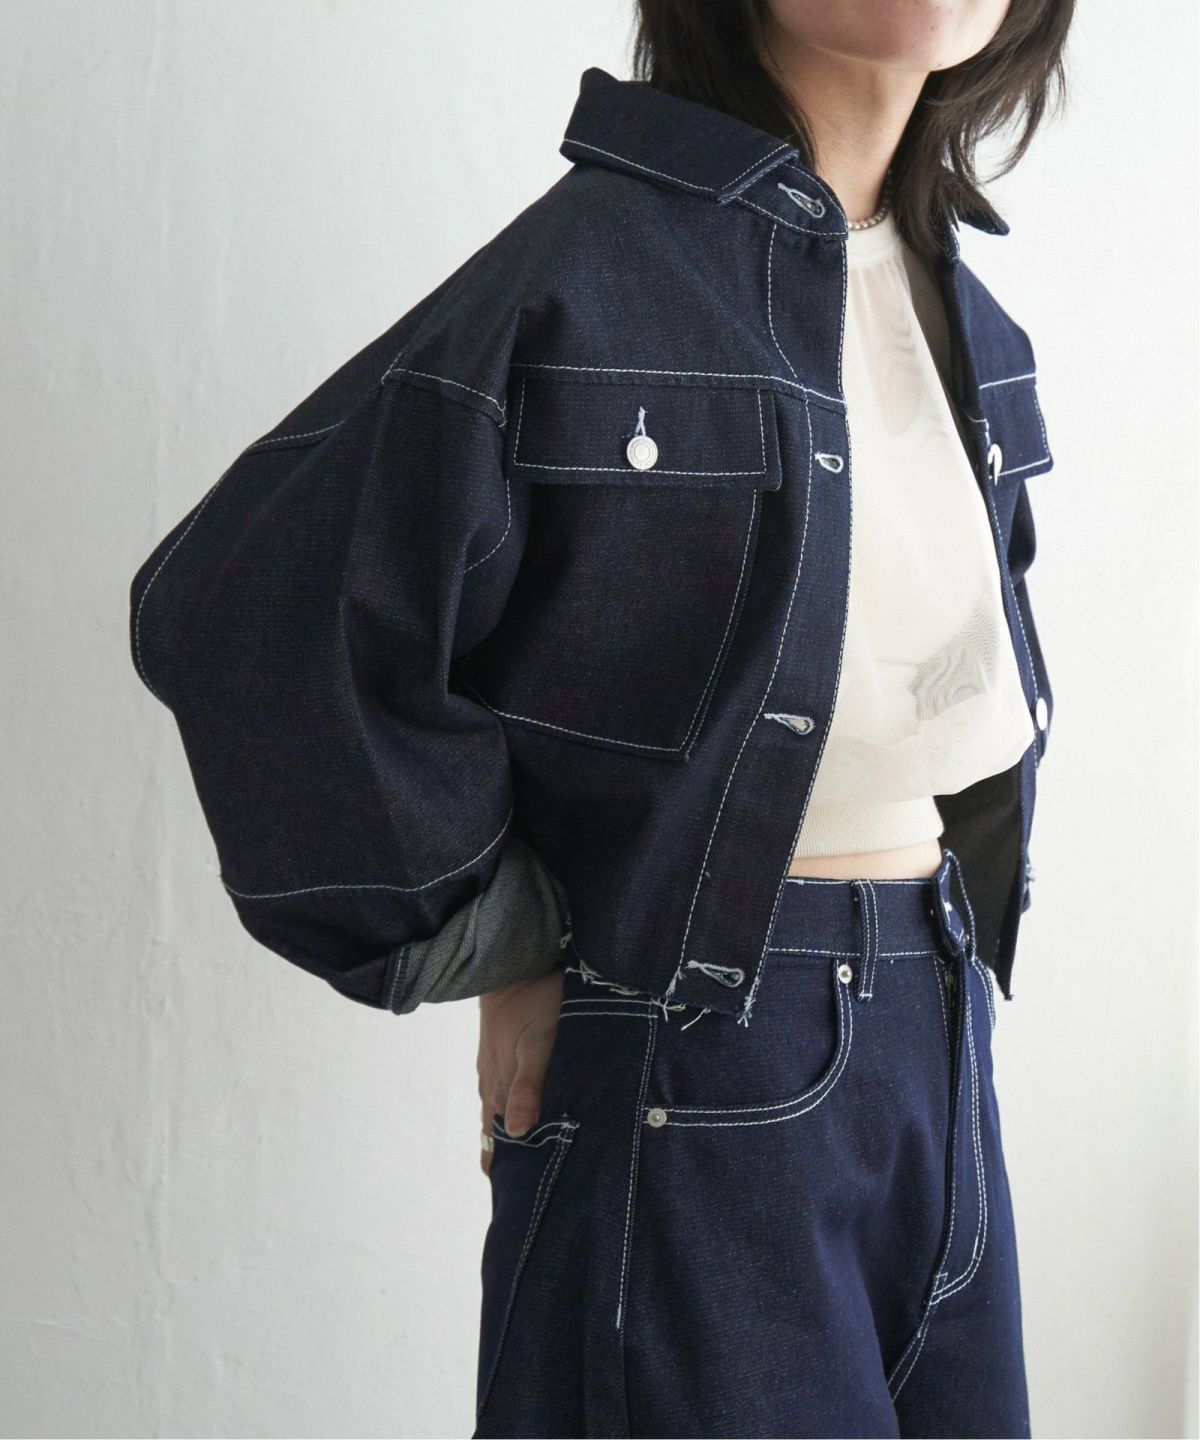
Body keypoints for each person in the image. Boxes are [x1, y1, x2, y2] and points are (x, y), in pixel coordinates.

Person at [128, 1, 1071, 1434]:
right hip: (703, 1065)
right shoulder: (596, 270)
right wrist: (505, 927)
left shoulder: (968, 311)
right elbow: (250, 605)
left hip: (941, 1036)